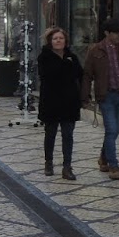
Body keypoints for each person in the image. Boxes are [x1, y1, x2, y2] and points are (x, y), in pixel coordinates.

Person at [82, 18, 119, 180]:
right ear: (107, 33)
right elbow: (87, 75)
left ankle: (103, 157)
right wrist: (85, 96)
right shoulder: (96, 51)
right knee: (111, 129)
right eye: (116, 33)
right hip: (106, 96)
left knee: (116, 130)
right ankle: (114, 166)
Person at [37, 26, 84, 179]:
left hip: (69, 102)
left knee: (68, 135)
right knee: (50, 134)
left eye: (61, 38)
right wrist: (65, 65)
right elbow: (48, 75)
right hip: (51, 102)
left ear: (66, 41)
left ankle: (67, 167)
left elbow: (79, 75)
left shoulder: (72, 57)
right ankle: (48, 162)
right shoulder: (44, 57)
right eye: (55, 38)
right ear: (50, 41)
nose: (58, 41)